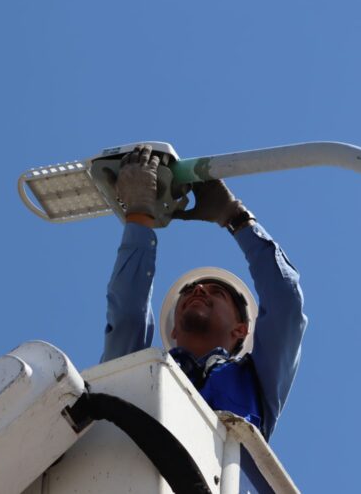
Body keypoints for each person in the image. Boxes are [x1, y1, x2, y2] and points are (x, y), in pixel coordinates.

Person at [101, 144, 307, 441]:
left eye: (217, 293)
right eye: (191, 292)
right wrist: (139, 216)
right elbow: (128, 315)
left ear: (241, 329)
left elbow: (285, 302)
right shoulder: (142, 370)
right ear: (172, 333)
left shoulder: (256, 383)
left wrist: (235, 217)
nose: (198, 289)